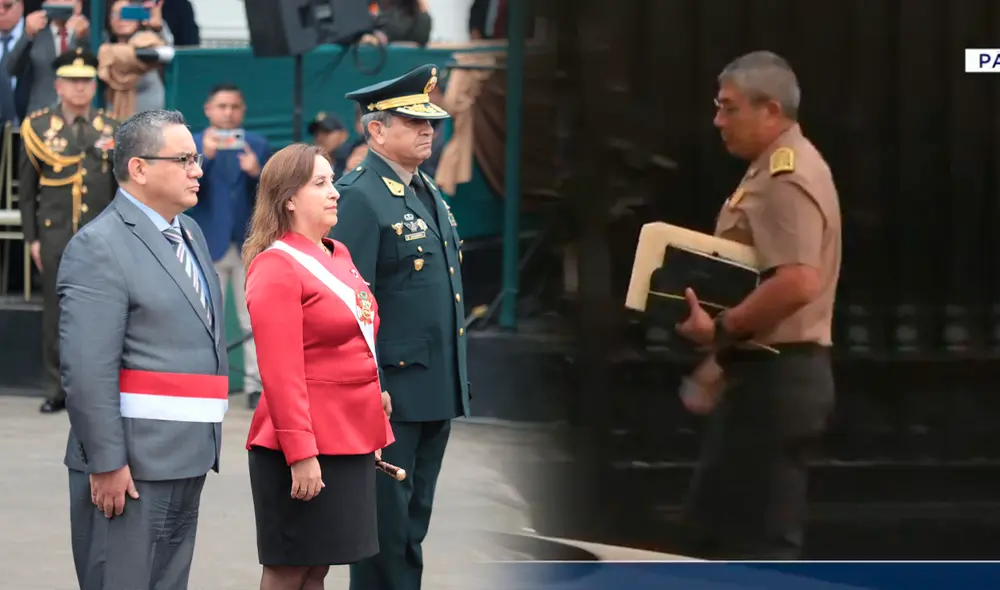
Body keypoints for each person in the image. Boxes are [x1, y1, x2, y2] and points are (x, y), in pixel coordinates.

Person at [674, 50, 841, 560]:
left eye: (729, 108)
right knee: (718, 536)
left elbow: (795, 282)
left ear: (770, 110)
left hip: (779, 381)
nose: (718, 121)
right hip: (762, 375)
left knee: (758, 546)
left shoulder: (786, 176)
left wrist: (722, 330)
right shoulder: (768, 169)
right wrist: (720, 363)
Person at [57, 109, 227, 589]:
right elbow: (86, 370)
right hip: (131, 467)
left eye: (197, 158)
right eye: (185, 159)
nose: (198, 169)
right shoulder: (100, 246)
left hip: (187, 453)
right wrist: (106, 462)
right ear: (139, 168)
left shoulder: (188, 232)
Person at [332, 63, 470, 590]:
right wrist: (368, 389)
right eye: (412, 121)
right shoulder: (360, 197)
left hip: (433, 386)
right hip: (389, 395)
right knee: (383, 535)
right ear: (375, 129)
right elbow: (349, 304)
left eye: (430, 121)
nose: (427, 130)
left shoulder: (425, 190)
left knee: (411, 527)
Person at [242, 143, 394, 589]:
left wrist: (371, 410)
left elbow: (356, 341)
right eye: (321, 183)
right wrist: (301, 453)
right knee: (290, 567)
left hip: (347, 436)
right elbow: (280, 372)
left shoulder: (338, 254)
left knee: (318, 565)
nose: (335, 193)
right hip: (300, 442)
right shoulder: (276, 266)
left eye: (333, 181)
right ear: (289, 198)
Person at [19, 48, 119, 414]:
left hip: (102, 234)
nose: (80, 89)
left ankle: (97, 386)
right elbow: (28, 192)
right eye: (73, 82)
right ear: (58, 85)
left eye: (87, 81)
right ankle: (56, 387)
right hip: (55, 234)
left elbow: (119, 187)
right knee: (56, 312)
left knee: (105, 312)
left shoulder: (111, 128)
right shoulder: (39, 128)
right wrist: (32, 238)